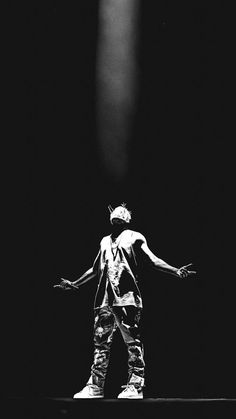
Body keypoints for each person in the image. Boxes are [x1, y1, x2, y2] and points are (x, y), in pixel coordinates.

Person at [54, 203, 196, 399]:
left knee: (132, 342)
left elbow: (152, 260)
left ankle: (135, 385)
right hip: (104, 299)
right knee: (100, 343)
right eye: (115, 211)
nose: (119, 212)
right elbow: (95, 269)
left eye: (123, 211)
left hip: (126, 298)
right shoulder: (104, 241)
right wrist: (74, 283)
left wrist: (175, 270)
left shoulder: (135, 237)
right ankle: (95, 386)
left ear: (128, 218)